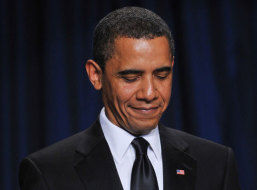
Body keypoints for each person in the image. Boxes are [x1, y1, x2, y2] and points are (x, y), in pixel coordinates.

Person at [19, 7, 240, 190]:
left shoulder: (216, 163)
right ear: (95, 75)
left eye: (161, 75)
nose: (150, 93)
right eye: (131, 77)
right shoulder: (49, 172)